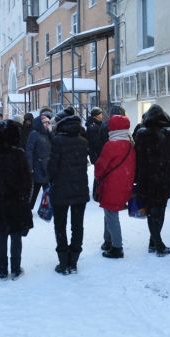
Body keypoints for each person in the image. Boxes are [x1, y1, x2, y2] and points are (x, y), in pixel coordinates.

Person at [0, 120, 33, 280]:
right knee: (16, 235)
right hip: (17, 201)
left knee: (1, 235)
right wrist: (24, 195)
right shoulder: (19, 154)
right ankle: (16, 268)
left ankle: (2, 270)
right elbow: (27, 180)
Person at [47, 112, 89, 275]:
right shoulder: (83, 141)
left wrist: (51, 178)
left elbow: (52, 167)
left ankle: (63, 260)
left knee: (60, 225)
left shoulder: (57, 141)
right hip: (80, 188)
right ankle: (74, 260)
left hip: (61, 189)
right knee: (77, 226)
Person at [134, 104, 170, 256]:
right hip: (164, 177)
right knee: (161, 210)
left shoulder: (141, 134)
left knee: (151, 211)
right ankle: (157, 244)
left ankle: (155, 242)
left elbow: (137, 157)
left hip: (147, 178)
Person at [95, 115, 136, 259]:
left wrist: (97, 176)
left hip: (111, 184)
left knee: (111, 215)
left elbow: (101, 166)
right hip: (124, 183)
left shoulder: (111, 145)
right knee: (109, 212)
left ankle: (117, 247)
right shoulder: (130, 143)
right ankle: (108, 241)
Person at [25, 111, 53, 209]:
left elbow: (54, 144)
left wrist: (50, 132)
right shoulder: (34, 134)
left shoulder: (47, 134)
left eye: (48, 122)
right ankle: (29, 208)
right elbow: (29, 150)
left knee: (47, 189)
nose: (47, 124)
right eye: (45, 123)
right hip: (38, 166)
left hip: (46, 166)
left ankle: (48, 207)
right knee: (36, 189)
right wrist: (30, 166)